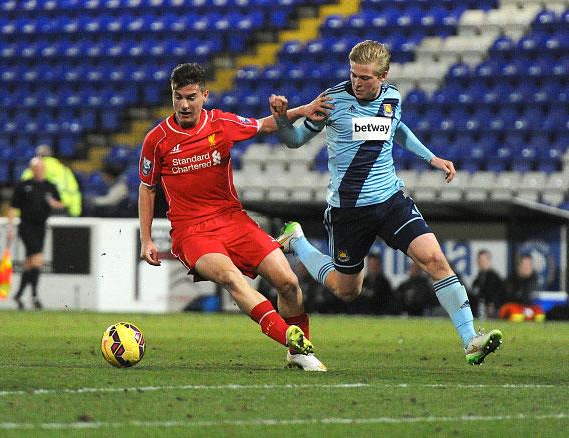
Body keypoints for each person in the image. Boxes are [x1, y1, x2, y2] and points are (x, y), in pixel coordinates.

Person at [271, 40, 502, 365]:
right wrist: (282, 119)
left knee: (434, 260)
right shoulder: (331, 101)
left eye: (365, 77)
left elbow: (396, 128)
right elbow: (293, 141)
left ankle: (471, 340)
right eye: (354, 75)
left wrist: (431, 157)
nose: (357, 82)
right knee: (346, 289)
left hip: (391, 200)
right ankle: (297, 240)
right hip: (349, 212)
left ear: (383, 76)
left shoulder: (393, 97)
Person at [138, 63, 332, 371]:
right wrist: (146, 238)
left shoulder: (221, 123)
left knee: (289, 282)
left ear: (205, 95)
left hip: (232, 220)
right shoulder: (157, 140)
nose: (184, 105)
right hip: (192, 232)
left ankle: (298, 354)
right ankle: (289, 337)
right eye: (178, 97)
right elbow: (147, 189)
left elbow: (263, 125)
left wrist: (302, 110)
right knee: (231, 277)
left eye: (191, 97)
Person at [8, 158, 64, 309]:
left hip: (41, 227)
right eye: (36, 168)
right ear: (32, 169)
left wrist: (54, 203)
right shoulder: (24, 185)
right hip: (26, 227)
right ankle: (35, 296)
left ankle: (19, 295)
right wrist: (11, 227)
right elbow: (13, 207)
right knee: (37, 258)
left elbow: (61, 203)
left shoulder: (50, 186)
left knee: (29, 263)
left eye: (41, 168)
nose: (39, 170)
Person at [21, 144, 82, 217]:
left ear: (37, 156)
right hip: (61, 210)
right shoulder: (64, 170)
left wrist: (19, 214)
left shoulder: (30, 171)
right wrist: (75, 212)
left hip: (36, 211)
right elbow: (74, 192)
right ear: (51, 155)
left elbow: (21, 194)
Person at [471, 249, 506, 318]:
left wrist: (492, 304)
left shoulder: (494, 277)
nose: (482, 263)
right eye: (480, 261)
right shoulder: (478, 278)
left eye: (484, 260)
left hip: (493, 311)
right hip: (479, 309)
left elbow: (499, 295)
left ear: (489, 261)